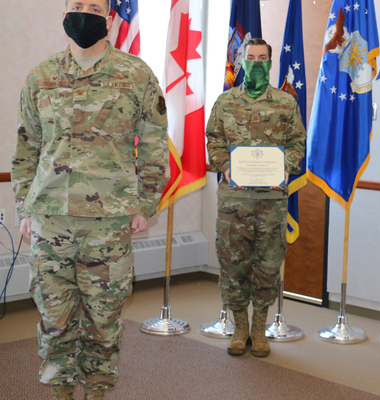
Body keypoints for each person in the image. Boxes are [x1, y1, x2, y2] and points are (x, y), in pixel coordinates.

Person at [11, 0, 169, 399]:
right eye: (77, 5)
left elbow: (154, 144)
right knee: (55, 322)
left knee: (103, 321)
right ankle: (61, 394)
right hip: (50, 221)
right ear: (64, 14)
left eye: (94, 6)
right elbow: (27, 147)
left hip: (108, 224)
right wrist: (24, 208)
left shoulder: (136, 75)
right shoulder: (41, 76)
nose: (85, 12)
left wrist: (144, 203)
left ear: (109, 18)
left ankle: (97, 392)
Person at [206, 38, 306, 358]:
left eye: (263, 58)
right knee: (233, 265)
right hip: (234, 201)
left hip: (271, 202)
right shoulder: (225, 102)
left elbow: (297, 142)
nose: (257, 63)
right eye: (251, 57)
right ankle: (239, 328)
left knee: (268, 265)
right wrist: (224, 166)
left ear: (270, 62)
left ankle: (259, 328)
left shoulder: (286, 103)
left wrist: (287, 166)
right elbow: (214, 139)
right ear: (242, 62)